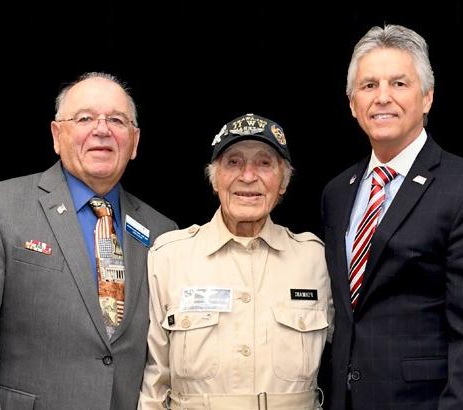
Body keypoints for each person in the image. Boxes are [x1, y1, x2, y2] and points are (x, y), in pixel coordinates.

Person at [0, 72, 177, 410]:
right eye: (84, 118)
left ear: (134, 141)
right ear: (57, 134)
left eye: (117, 120)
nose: (102, 129)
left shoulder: (162, 232)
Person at [321, 25, 463, 409]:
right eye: (369, 85)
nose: (383, 97)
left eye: (399, 83)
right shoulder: (338, 192)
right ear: (352, 102)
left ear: (427, 97)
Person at [139, 113, 333, 409]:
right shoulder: (169, 257)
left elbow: (354, 356)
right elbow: (154, 379)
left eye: (264, 163)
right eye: (233, 162)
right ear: (215, 179)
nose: (247, 176)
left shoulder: (316, 259)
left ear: (283, 181)